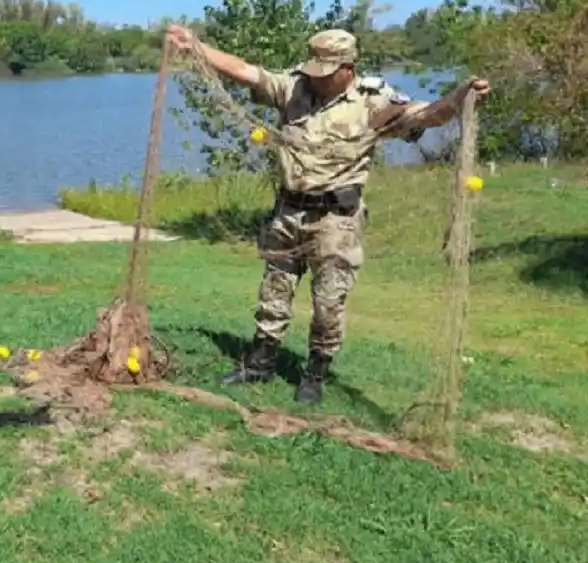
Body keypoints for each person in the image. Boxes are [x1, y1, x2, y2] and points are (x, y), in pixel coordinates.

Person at [165, 25, 489, 404]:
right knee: (274, 292)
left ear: (347, 69)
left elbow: (428, 115)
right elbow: (243, 70)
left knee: (328, 303)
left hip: (336, 221)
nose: (316, 78)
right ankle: (261, 362)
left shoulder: (373, 102)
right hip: (287, 214)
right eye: (314, 68)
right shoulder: (293, 87)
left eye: (326, 71)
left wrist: (459, 97)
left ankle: (315, 374)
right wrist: (196, 46)